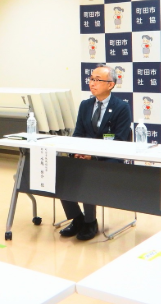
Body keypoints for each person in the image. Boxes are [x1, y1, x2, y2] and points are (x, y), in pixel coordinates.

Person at [60, 65, 132, 241]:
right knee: (60, 172)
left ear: (111, 85)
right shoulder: (85, 105)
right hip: (85, 157)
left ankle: (90, 221)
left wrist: (93, 156)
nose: (92, 83)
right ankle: (77, 218)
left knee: (88, 173)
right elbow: (78, 134)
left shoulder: (121, 107)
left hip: (109, 160)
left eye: (97, 80)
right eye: (91, 79)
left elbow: (120, 142)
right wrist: (76, 153)